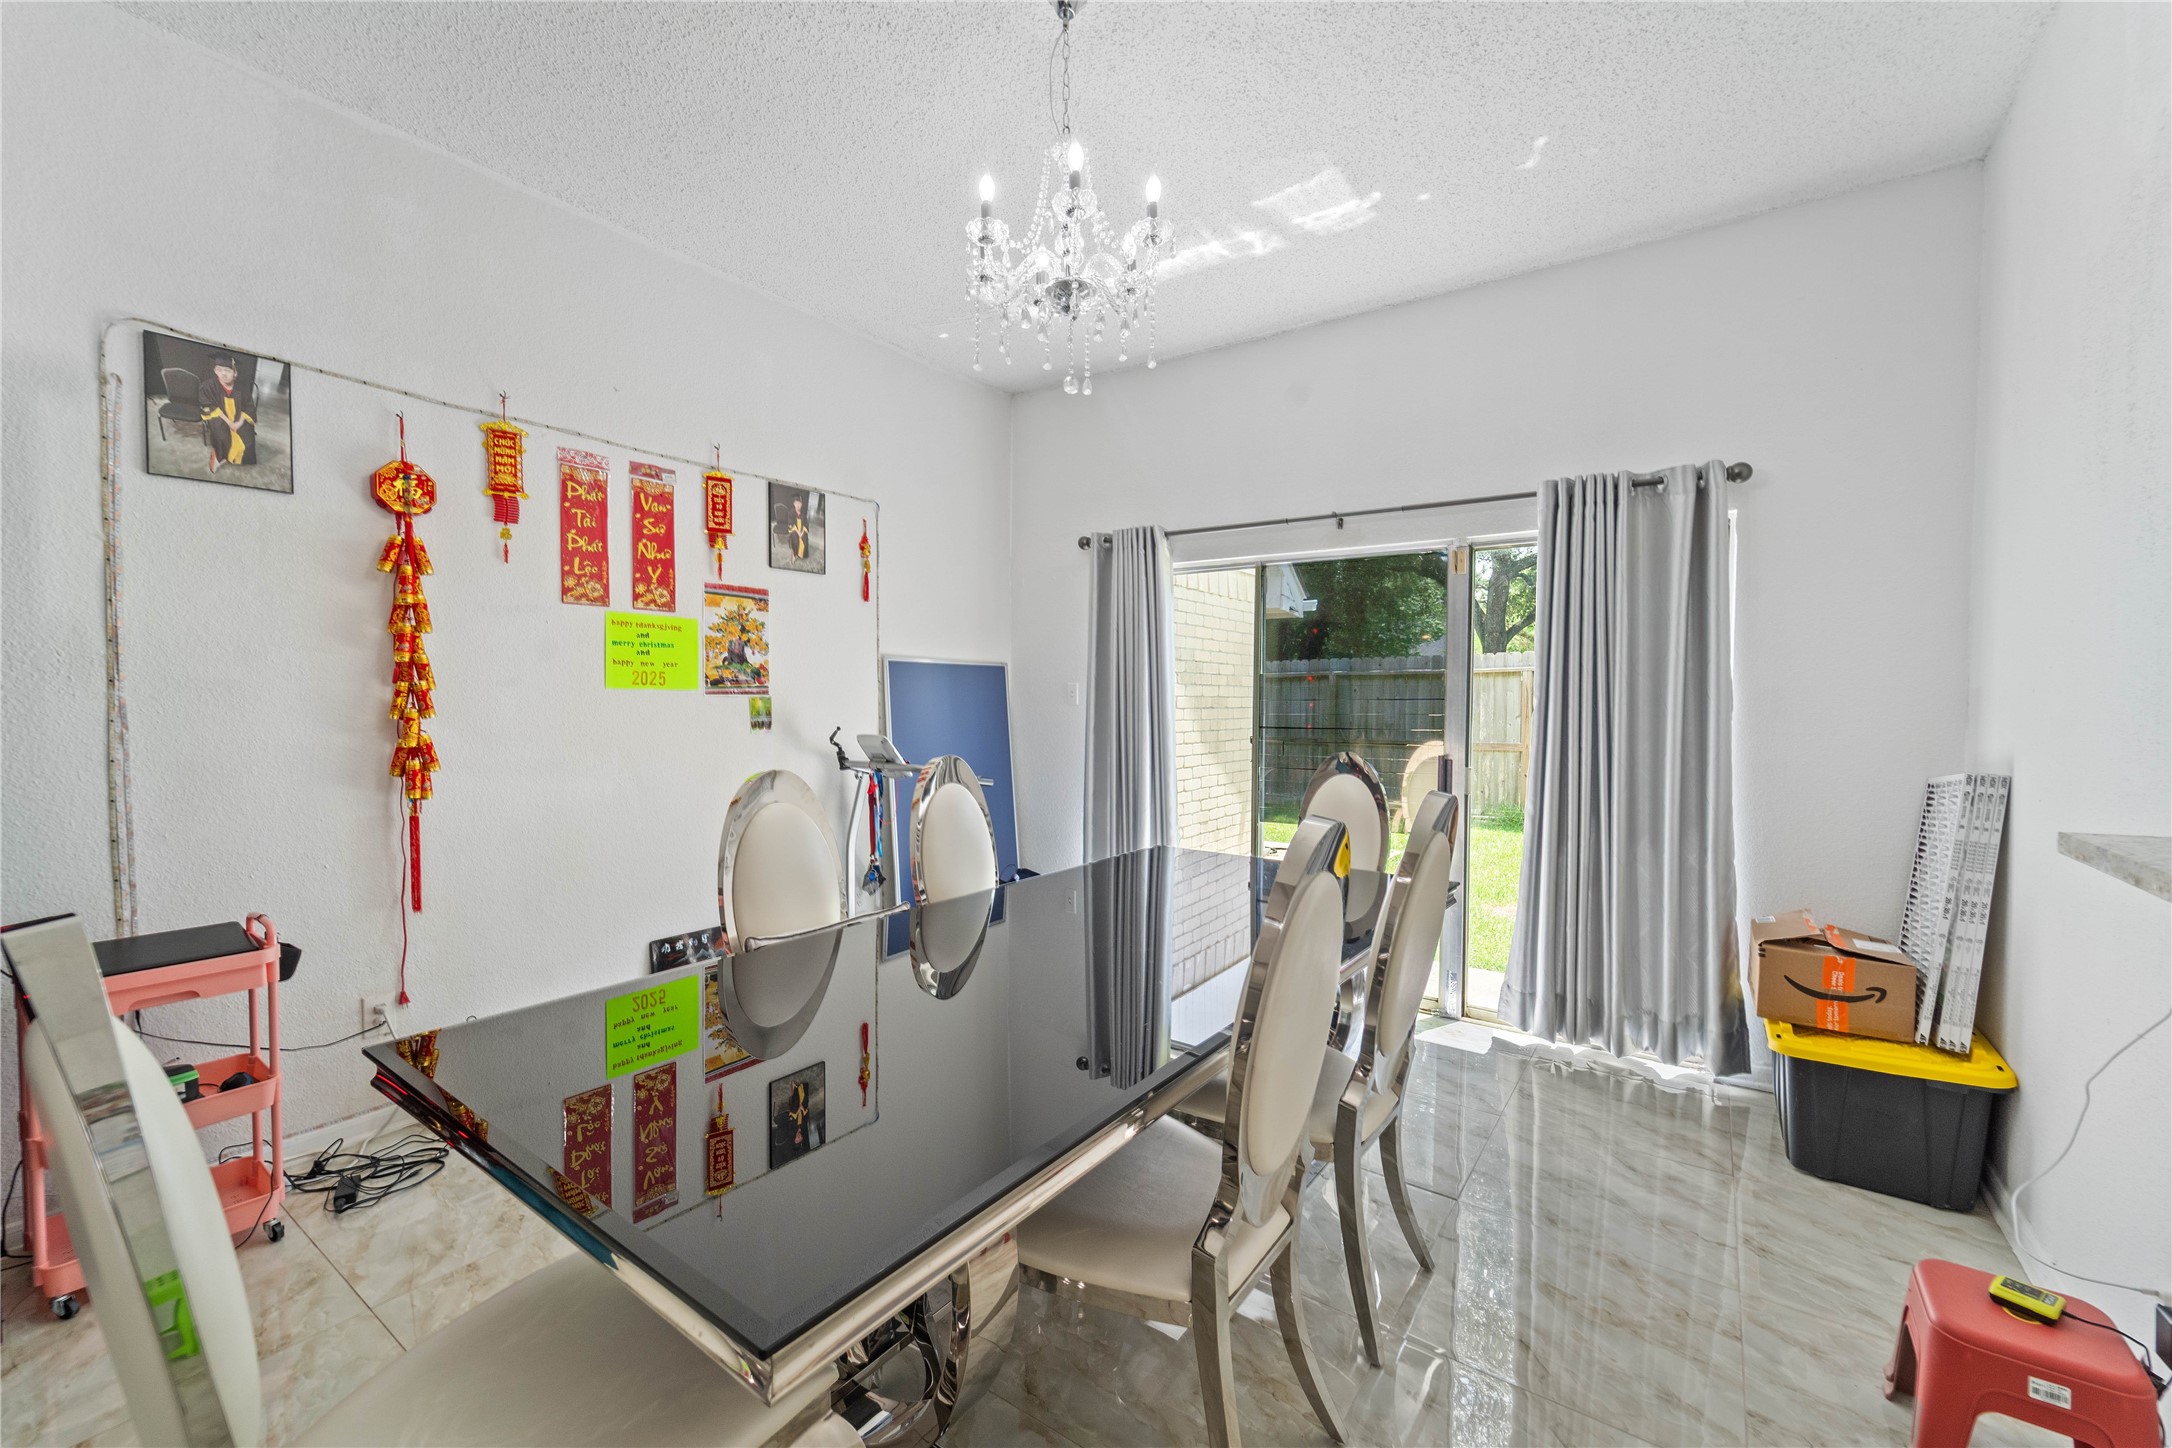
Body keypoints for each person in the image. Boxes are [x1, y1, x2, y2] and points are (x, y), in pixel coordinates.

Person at [198, 353, 256, 471]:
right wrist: (229, 422)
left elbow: (248, 407)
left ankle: (236, 457)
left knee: (247, 436)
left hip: (238, 416)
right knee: (221, 434)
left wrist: (239, 423)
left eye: (227, 370)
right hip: (220, 416)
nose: (223, 373)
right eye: (219, 370)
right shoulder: (207, 386)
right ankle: (219, 455)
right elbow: (208, 405)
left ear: (235, 373)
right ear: (215, 370)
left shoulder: (242, 388)